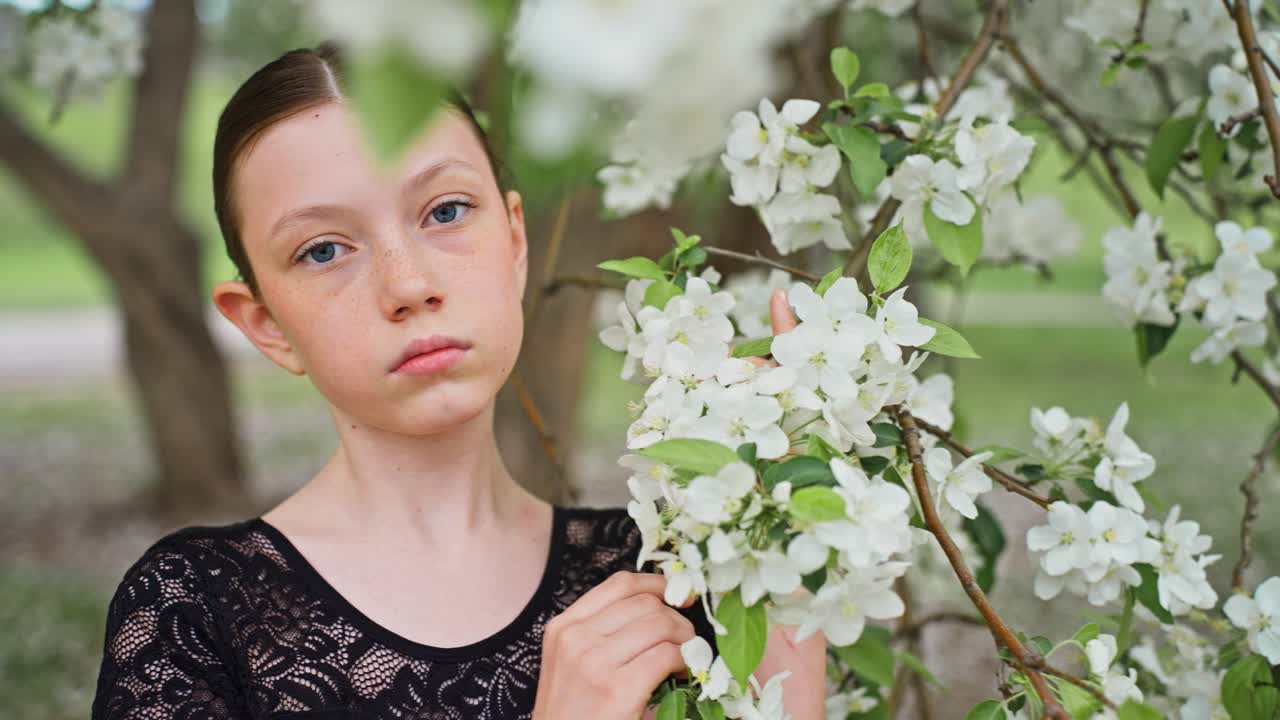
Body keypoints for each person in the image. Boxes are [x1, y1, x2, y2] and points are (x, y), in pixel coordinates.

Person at [89, 42, 825, 720]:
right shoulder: (193, 610)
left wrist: (778, 528)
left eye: (445, 211)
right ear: (267, 324)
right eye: (323, 250)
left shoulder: (669, 571)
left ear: (514, 241)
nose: (409, 285)